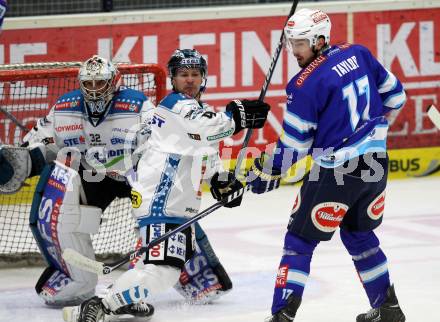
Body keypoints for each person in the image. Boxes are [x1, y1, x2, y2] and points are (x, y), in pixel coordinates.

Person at [61, 48, 270, 322]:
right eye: (183, 74)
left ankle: (115, 300)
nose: (190, 80)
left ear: (204, 77)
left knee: (153, 268)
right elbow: (209, 128)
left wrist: (221, 181)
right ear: (173, 78)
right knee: (164, 272)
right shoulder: (175, 105)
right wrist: (235, 115)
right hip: (163, 202)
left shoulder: (196, 112)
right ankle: (101, 305)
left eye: (196, 74)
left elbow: (204, 152)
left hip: (170, 203)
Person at [245, 8, 407, 322]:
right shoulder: (358, 53)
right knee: (359, 236)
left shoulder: (303, 85)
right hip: (375, 163)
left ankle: (281, 316)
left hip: (337, 171)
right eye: (291, 43)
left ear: (320, 40)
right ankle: (388, 308)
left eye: (301, 43)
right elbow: (397, 97)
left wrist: (265, 173)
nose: (294, 51)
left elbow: (293, 147)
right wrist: (366, 128)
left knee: (298, 241)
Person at [0, 55, 159, 319]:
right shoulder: (64, 107)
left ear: (114, 82)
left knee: (154, 220)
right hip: (95, 177)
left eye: (101, 82)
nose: (95, 88)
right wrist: (23, 160)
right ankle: (80, 280)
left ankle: (161, 274)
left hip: (135, 175)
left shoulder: (137, 105)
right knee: (65, 200)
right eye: (90, 83)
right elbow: (38, 143)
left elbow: (160, 142)